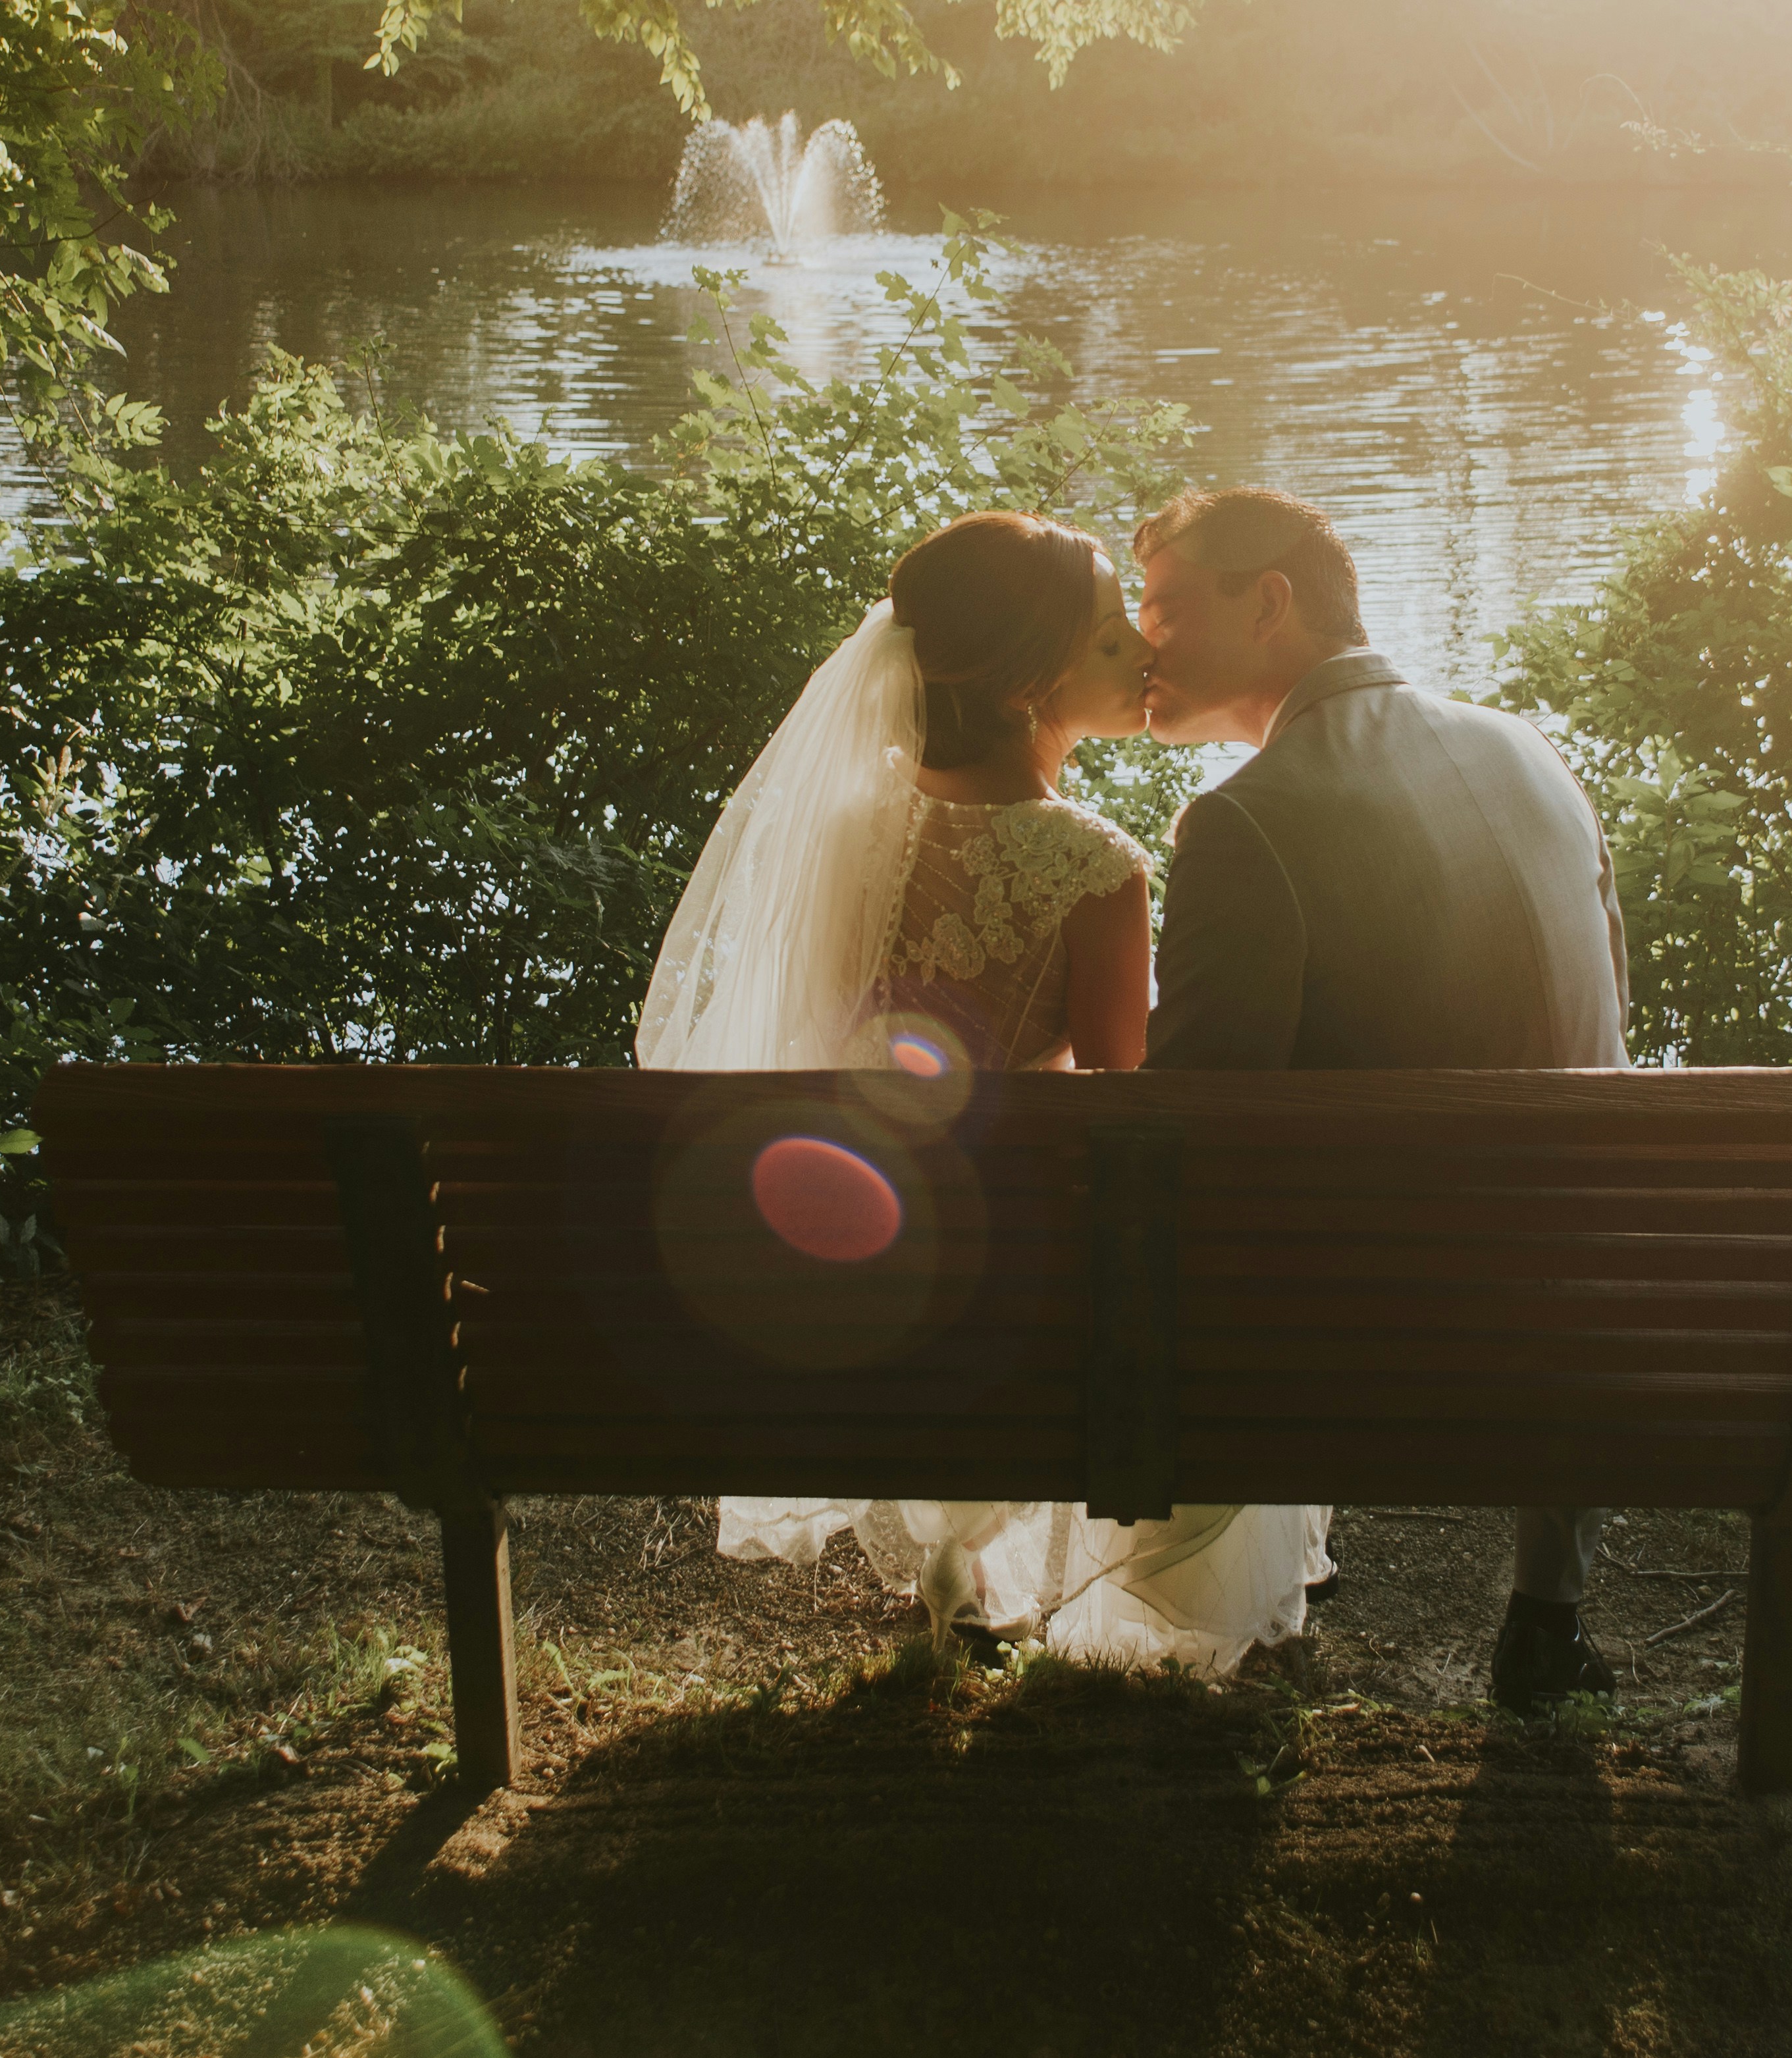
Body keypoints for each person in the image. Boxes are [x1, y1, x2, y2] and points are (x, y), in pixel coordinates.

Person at [637, 510, 1332, 1674]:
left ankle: (955, 1573)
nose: (1144, 657)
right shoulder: (1096, 868)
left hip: (849, 1271)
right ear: (1026, 682)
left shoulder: (842, 831)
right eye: (1113, 641)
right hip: (1017, 1294)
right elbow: (1126, 1112)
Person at [1132, 485, 1635, 1712]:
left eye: (1165, 608)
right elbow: (1598, 1016)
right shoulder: (1530, 748)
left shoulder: (1244, 817)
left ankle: (1207, 1596)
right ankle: (1547, 1609)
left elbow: (1179, 1131)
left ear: (1269, 603)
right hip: (1600, 1308)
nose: (1143, 642)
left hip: (1393, 1328)